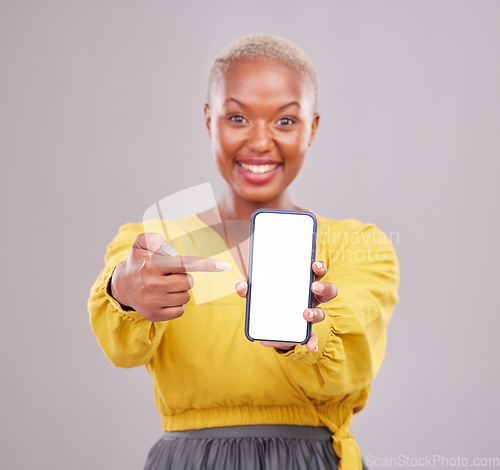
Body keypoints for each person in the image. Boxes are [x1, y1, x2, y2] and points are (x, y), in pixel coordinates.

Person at [88, 33, 399, 470]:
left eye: (285, 121)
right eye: (237, 118)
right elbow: (123, 349)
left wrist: (307, 335)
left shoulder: (358, 245)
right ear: (209, 120)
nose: (259, 141)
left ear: (312, 127)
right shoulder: (155, 241)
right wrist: (124, 291)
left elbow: (348, 369)